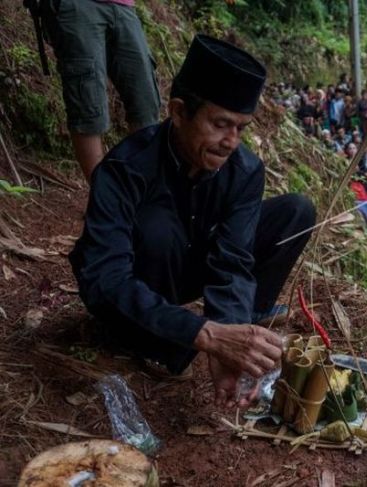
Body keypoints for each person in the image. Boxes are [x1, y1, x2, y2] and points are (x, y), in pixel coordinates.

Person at [69, 35, 317, 408]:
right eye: (220, 124)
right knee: (158, 228)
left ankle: (248, 325)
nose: (230, 141)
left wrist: (228, 339)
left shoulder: (244, 171)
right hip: (136, 278)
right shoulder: (124, 170)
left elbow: (233, 261)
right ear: (179, 112)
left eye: (241, 128)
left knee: (296, 211)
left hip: (188, 263)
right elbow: (105, 277)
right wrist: (203, 334)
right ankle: (152, 342)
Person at [39, 0, 161, 181]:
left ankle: (139, 191)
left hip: (123, 6)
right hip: (78, 6)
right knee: (88, 103)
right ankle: (103, 197)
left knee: (146, 103)